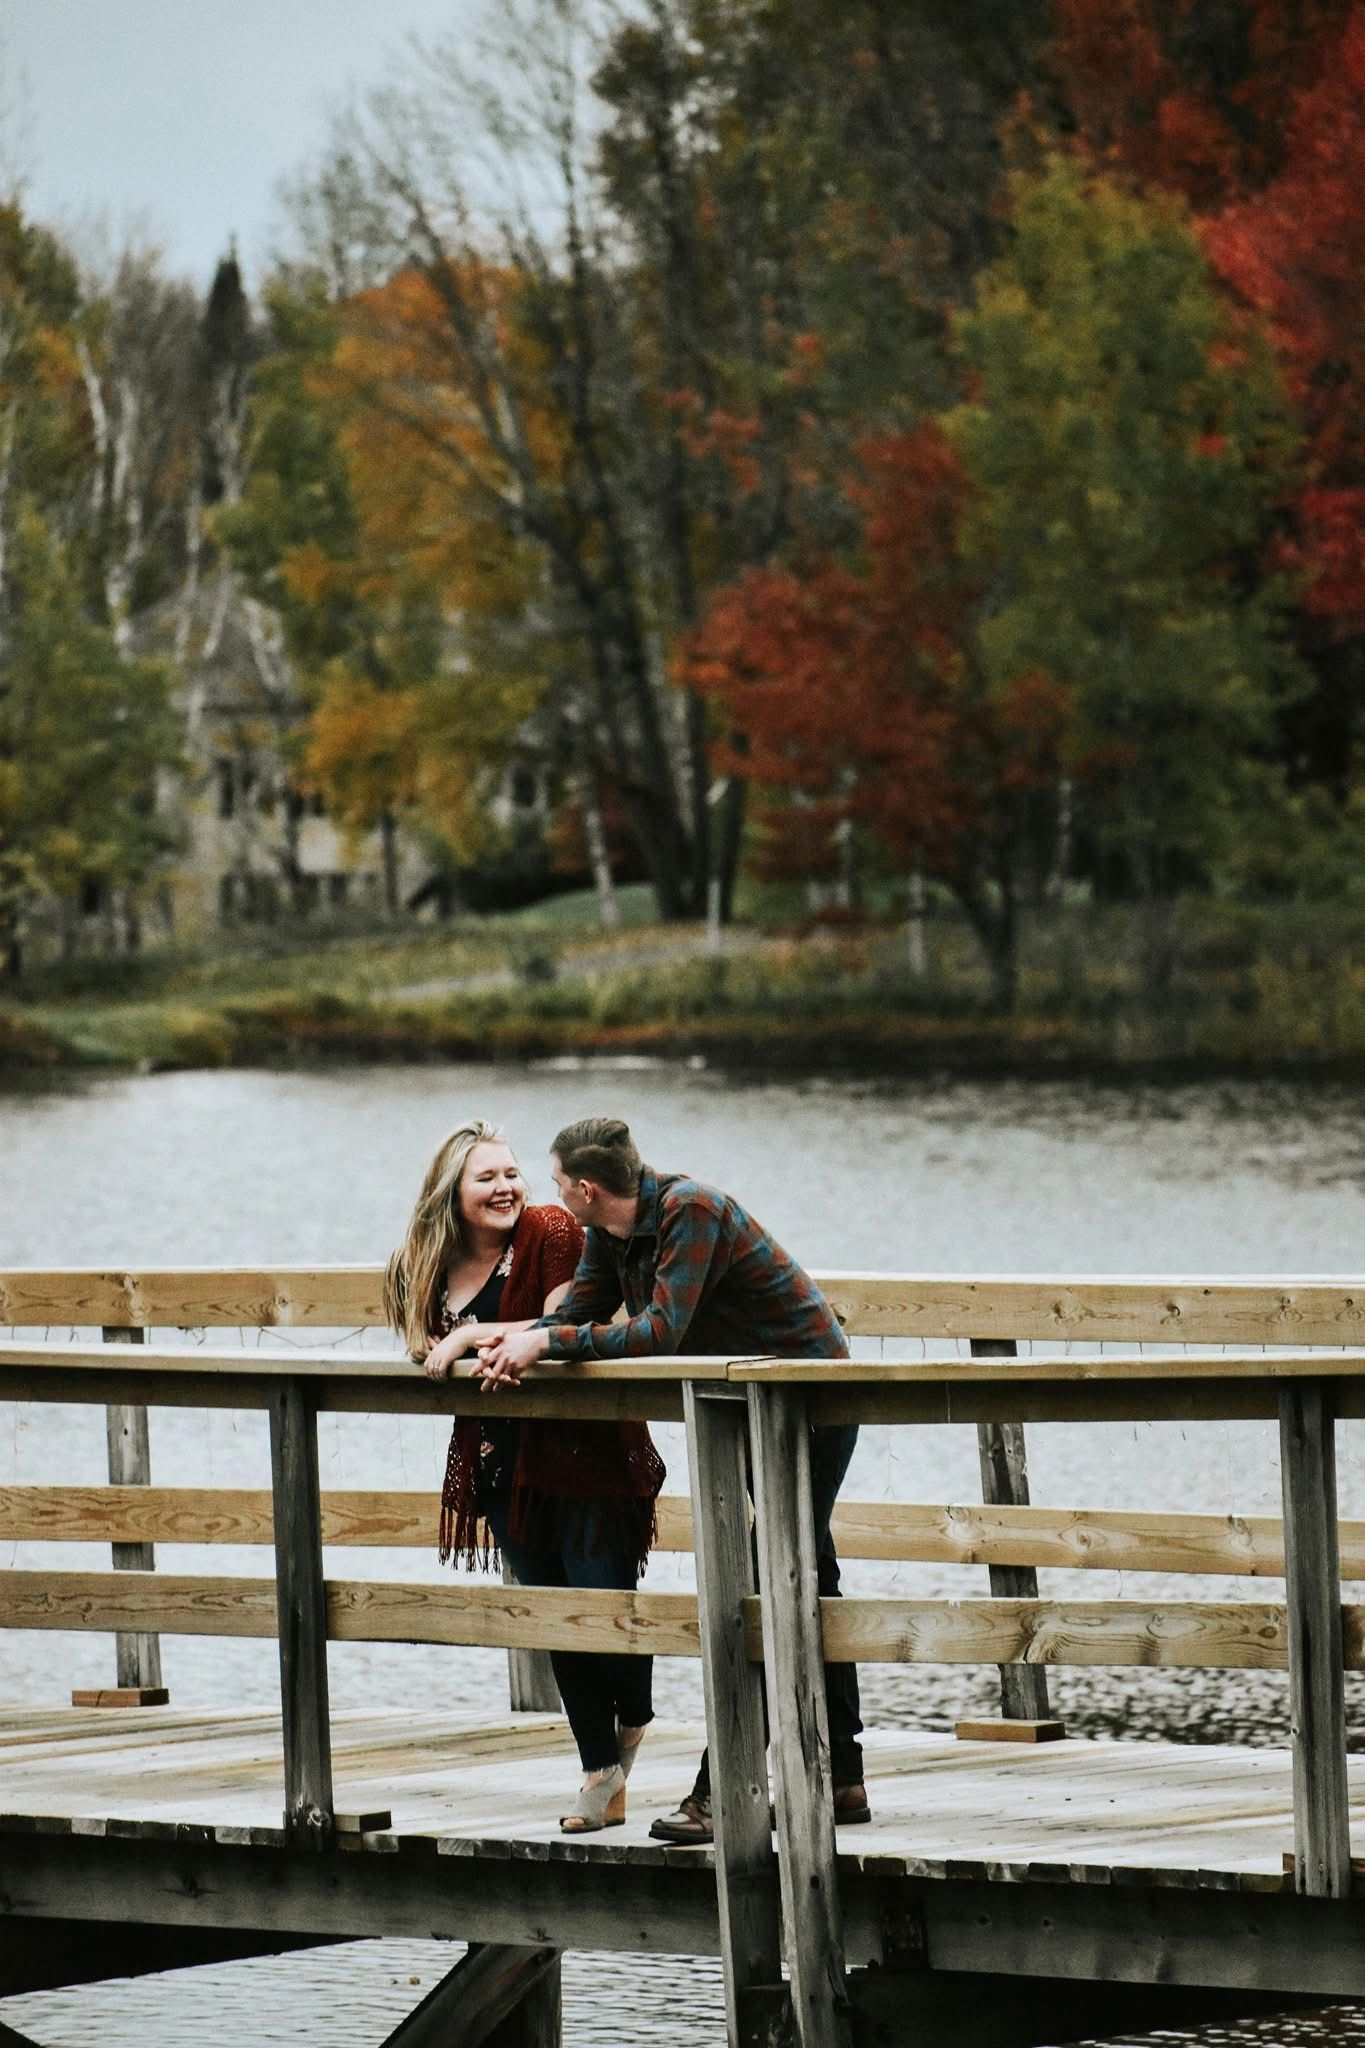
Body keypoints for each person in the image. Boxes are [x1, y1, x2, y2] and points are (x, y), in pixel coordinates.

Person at [471, 1115, 867, 1846]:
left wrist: (543, 1341)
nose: (550, 1195)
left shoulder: (693, 1212)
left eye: (557, 1184)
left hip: (808, 1402)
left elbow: (659, 1333)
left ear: (586, 1189)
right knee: (808, 1579)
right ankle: (842, 1780)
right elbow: (586, 1310)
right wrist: (510, 1338)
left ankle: (719, 1795)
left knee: (768, 1584)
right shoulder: (610, 1231)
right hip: (751, 1403)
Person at [383, 1119, 666, 1835]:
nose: (507, 1187)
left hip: (587, 1454)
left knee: (603, 1609)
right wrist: (445, 1343)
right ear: (451, 1194)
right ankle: (600, 1772)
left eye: (512, 1173)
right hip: (501, 1465)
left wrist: (469, 1337)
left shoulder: (552, 1232)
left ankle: (631, 1722)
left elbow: (558, 1323)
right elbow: (419, 1346)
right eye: (487, 1177)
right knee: (552, 1617)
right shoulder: (421, 1263)